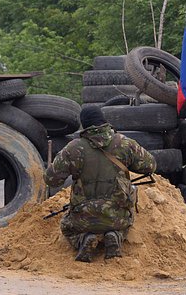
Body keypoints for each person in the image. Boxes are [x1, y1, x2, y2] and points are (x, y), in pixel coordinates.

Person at [46, 104, 157, 262]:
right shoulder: (125, 143)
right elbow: (150, 166)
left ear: (83, 124)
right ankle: (116, 236)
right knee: (127, 222)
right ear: (104, 120)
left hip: (83, 218)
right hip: (117, 216)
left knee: (66, 226)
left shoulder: (73, 148)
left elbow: (51, 180)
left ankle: (84, 239)